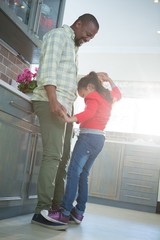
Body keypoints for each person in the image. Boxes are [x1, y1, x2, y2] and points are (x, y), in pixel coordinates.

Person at [31, 14, 99, 230]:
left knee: (64, 160)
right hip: (51, 102)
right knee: (53, 156)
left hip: (65, 107)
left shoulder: (73, 46)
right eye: (88, 33)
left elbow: (66, 76)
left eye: (92, 37)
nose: (89, 38)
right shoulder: (59, 35)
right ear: (78, 24)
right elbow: (48, 69)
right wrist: (52, 99)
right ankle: (41, 211)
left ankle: (57, 209)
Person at [41, 71, 122, 230]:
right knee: (83, 175)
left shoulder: (93, 97)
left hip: (87, 138)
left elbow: (89, 112)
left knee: (73, 173)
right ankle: (78, 212)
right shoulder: (107, 97)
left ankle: (63, 213)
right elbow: (119, 93)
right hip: (99, 139)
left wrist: (69, 118)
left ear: (90, 87)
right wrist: (109, 80)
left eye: (83, 93)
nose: (84, 97)